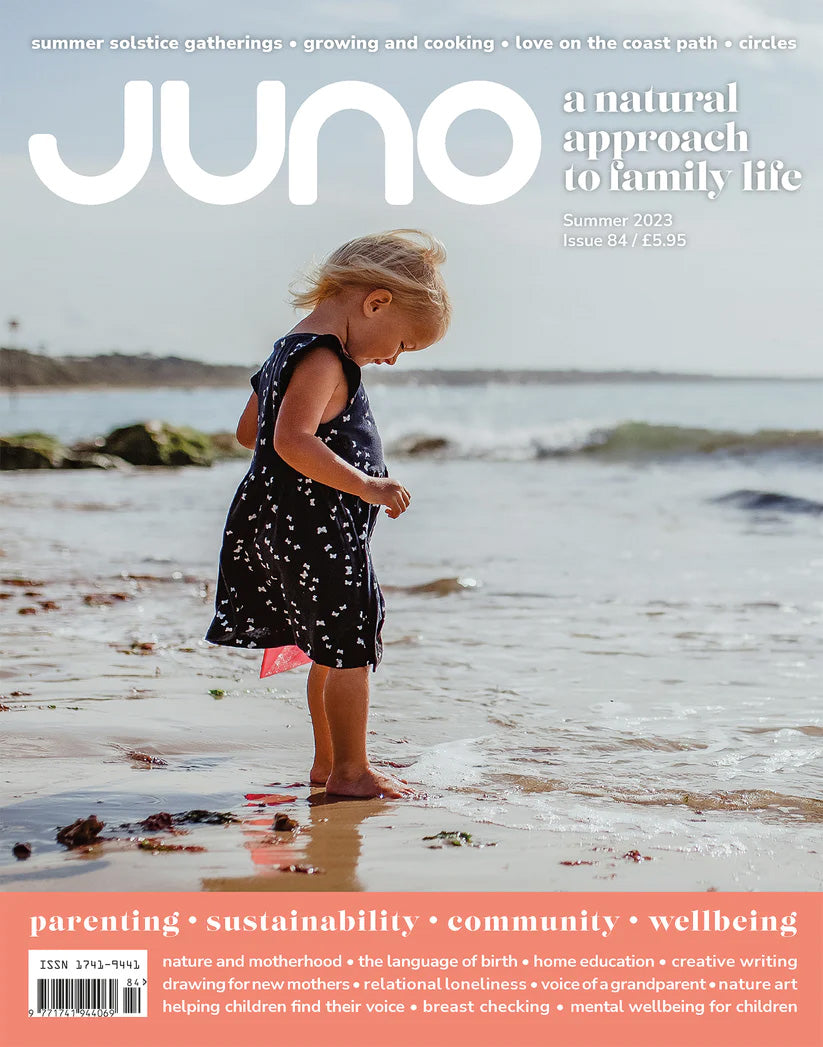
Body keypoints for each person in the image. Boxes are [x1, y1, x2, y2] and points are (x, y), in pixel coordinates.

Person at [205, 229, 450, 799]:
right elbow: (292, 440)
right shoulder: (323, 355)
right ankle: (351, 773)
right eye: (403, 344)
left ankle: (328, 763)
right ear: (376, 302)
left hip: (276, 517)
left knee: (329, 647)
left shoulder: (285, 349)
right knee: (350, 648)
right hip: (314, 524)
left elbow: (251, 433)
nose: (392, 358)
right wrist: (366, 484)